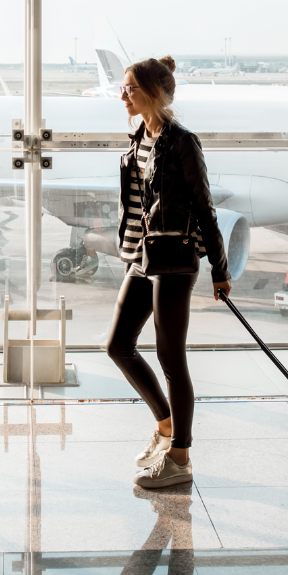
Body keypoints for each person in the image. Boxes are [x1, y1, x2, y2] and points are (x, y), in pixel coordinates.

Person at [107, 55, 231, 489]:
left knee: (170, 358)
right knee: (118, 346)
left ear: (154, 93)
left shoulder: (181, 142)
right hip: (143, 257)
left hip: (175, 258)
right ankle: (165, 425)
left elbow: (204, 207)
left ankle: (180, 457)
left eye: (130, 89)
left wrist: (219, 268)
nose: (123, 95)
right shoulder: (139, 137)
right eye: (123, 88)